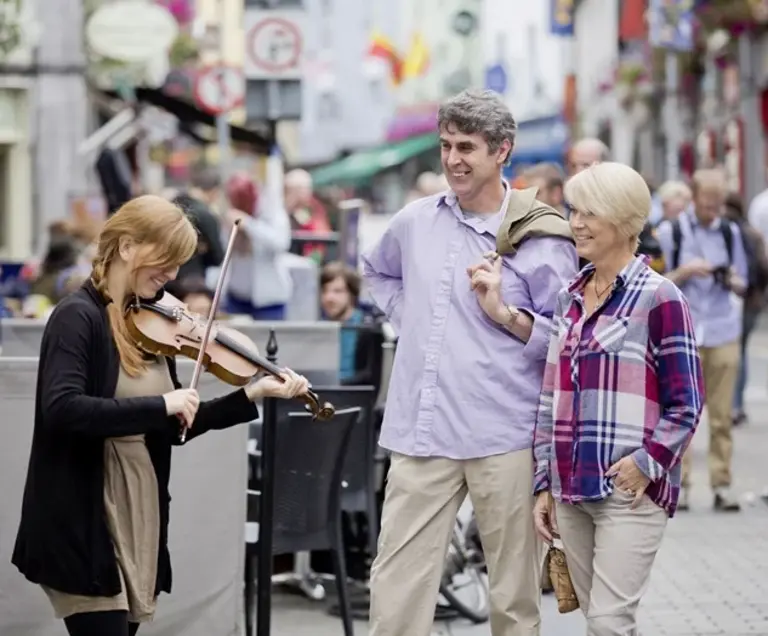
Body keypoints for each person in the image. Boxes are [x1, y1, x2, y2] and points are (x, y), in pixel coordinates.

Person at [11, 195, 309, 636]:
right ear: (127, 246)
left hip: (139, 504)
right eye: (167, 261)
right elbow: (61, 409)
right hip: (85, 509)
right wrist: (160, 405)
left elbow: (174, 426)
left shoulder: (152, 323)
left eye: (179, 264)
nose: (174, 275)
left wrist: (253, 393)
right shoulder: (77, 317)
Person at [363, 89, 578, 636]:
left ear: (502, 150)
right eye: (445, 145)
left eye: (467, 147)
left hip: (502, 434)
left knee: (512, 596)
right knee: (396, 588)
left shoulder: (542, 236)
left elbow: (564, 338)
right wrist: (413, 315)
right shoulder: (414, 221)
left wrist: (505, 314)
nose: (453, 159)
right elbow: (376, 272)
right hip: (422, 432)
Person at [533, 162, 704, 635]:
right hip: (570, 488)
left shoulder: (660, 298)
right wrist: (543, 483)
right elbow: (550, 397)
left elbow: (687, 402)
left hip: (630, 492)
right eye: (574, 210)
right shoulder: (569, 298)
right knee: (600, 621)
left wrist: (645, 464)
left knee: (609, 623)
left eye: (591, 212)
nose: (577, 223)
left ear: (625, 221)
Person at [656, 169, 748, 511]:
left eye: (719, 204)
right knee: (683, 413)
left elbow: (742, 279)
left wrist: (732, 278)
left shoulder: (730, 231)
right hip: (684, 331)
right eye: (709, 204)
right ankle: (681, 486)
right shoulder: (671, 231)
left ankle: (722, 485)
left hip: (723, 327)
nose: (714, 211)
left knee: (722, 415)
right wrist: (687, 270)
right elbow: (655, 280)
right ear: (694, 198)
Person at [222, 172, 292, 320]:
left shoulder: (271, 212)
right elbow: (223, 251)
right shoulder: (230, 214)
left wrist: (248, 224)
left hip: (269, 299)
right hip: (237, 295)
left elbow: (281, 242)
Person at [319, 261, 383, 386]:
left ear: (352, 294)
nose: (329, 297)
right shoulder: (319, 329)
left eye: (337, 291)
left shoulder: (367, 329)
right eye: (325, 291)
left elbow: (371, 377)